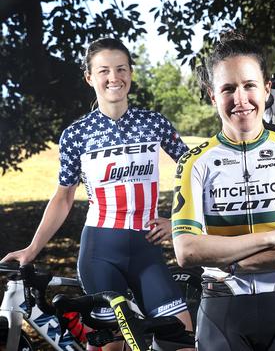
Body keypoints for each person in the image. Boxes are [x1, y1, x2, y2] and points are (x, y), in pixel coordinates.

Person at [1, 38, 193, 350]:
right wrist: (32, 249)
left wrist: (179, 222)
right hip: (100, 251)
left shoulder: (154, 123)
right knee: (111, 344)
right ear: (90, 77)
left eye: (121, 69)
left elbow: (193, 171)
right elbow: (63, 197)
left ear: (131, 73)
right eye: (103, 70)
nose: (113, 77)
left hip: (147, 251)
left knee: (181, 335)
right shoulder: (76, 135)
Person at [171, 32, 275, 351]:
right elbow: (187, 250)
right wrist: (269, 237)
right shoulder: (194, 163)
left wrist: (232, 261)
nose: (240, 99)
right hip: (222, 313)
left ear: (267, 88)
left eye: (249, 85)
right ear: (213, 96)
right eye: (227, 89)